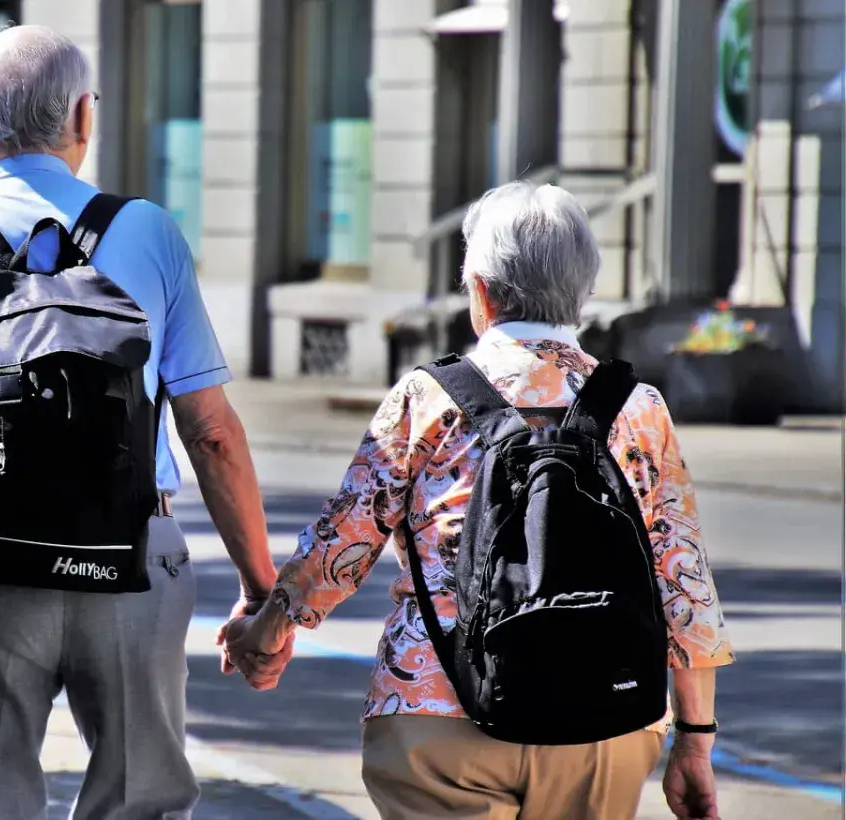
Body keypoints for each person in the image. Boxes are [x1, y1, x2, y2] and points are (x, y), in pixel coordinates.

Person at [0, 24, 289, 820]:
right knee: (142, 800)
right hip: (133, 563)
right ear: (83, 116)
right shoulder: (149, 233)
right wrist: (260, 591)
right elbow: (211, 433)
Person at [221, 181, 735, 820]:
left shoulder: (427, 397)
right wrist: (695, 739)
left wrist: (268, 629)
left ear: (482, 292)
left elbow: (344, 540)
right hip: (605, 720)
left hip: (438, 709)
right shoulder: (639, 408)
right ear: (582, 291)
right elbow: (685, 584)